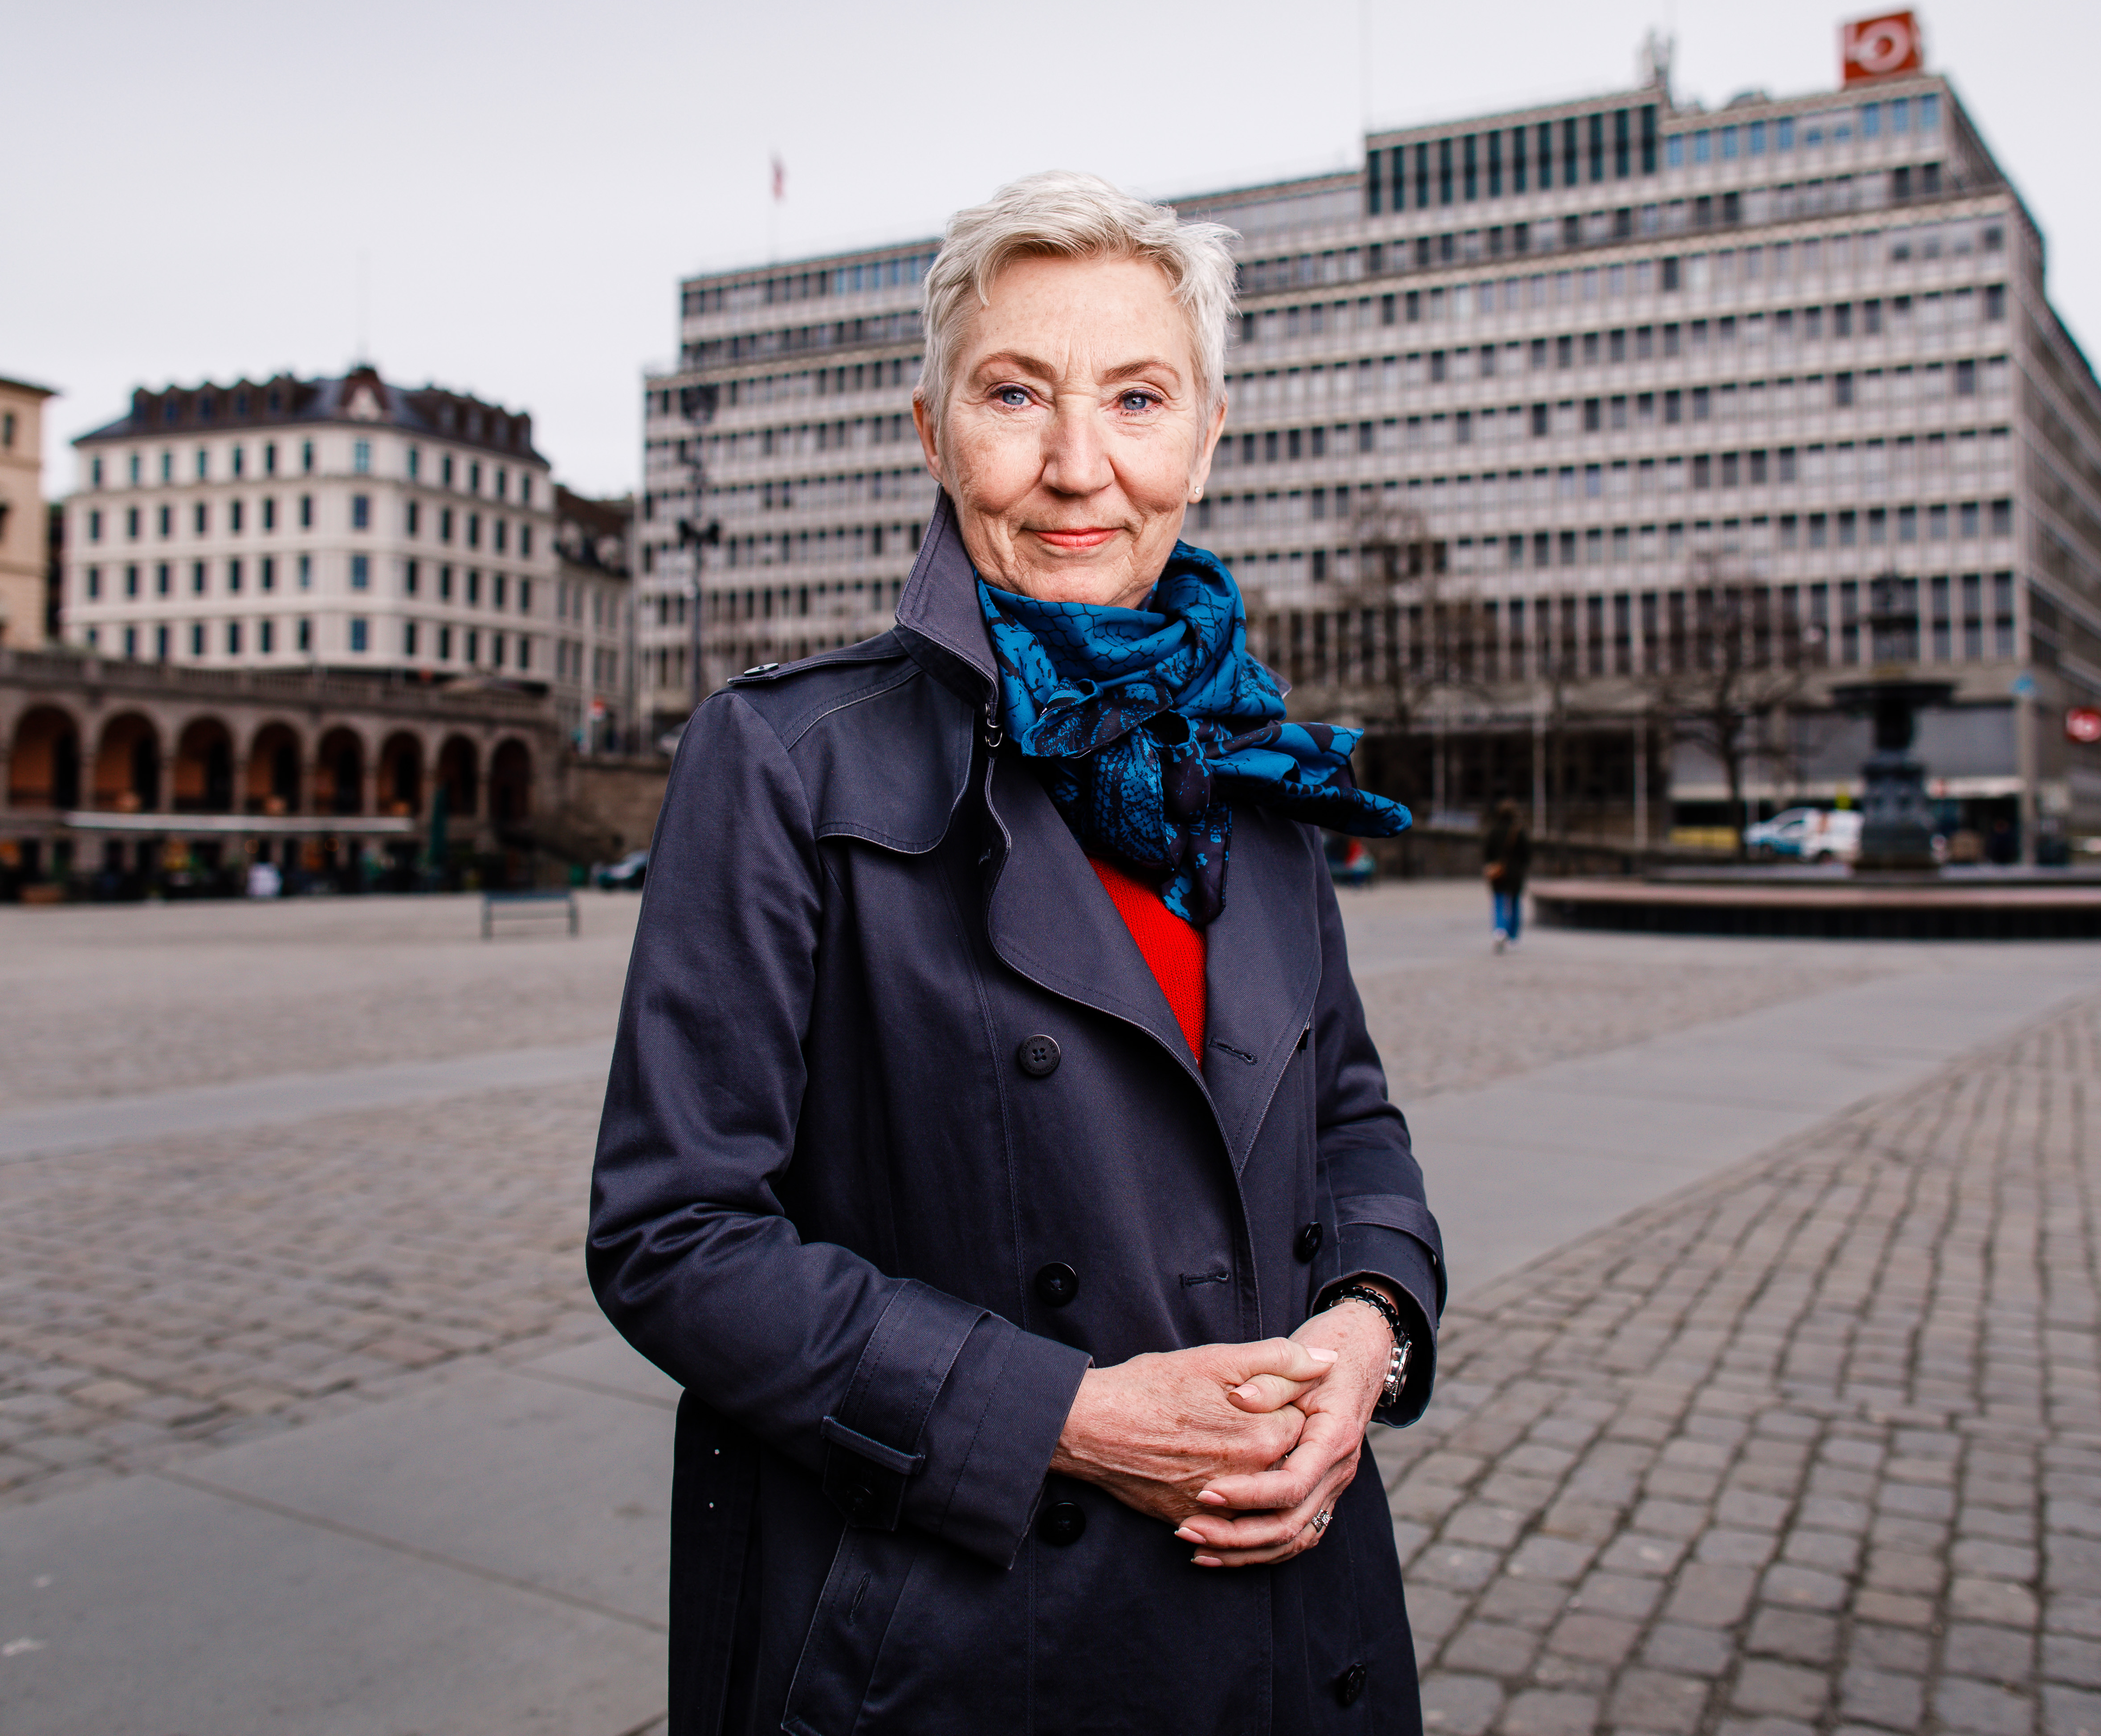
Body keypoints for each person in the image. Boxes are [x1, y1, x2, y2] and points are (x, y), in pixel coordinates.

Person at [589, 174, 1438, 1735]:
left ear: (1207, 434)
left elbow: (1353, 1129)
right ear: (933, 432)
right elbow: (675, 1234)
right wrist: (1067, 1417)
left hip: (1297, 1621)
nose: (1077, 468)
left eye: (1135, 397)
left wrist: (1367, 1331)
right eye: (1014, 395)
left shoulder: (1253, 777)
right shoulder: (785, 761)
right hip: (964, 1646)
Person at [1482, 798, 1531, 951]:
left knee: (1499, 902)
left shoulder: (1493, 831)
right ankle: (1513, 932)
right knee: (1515, 902)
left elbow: (1487, 853)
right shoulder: (1519, 831)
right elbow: (1527, 854)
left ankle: (1500, 930)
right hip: (1516, 873)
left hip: (1499, 872)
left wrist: (1493, 864)